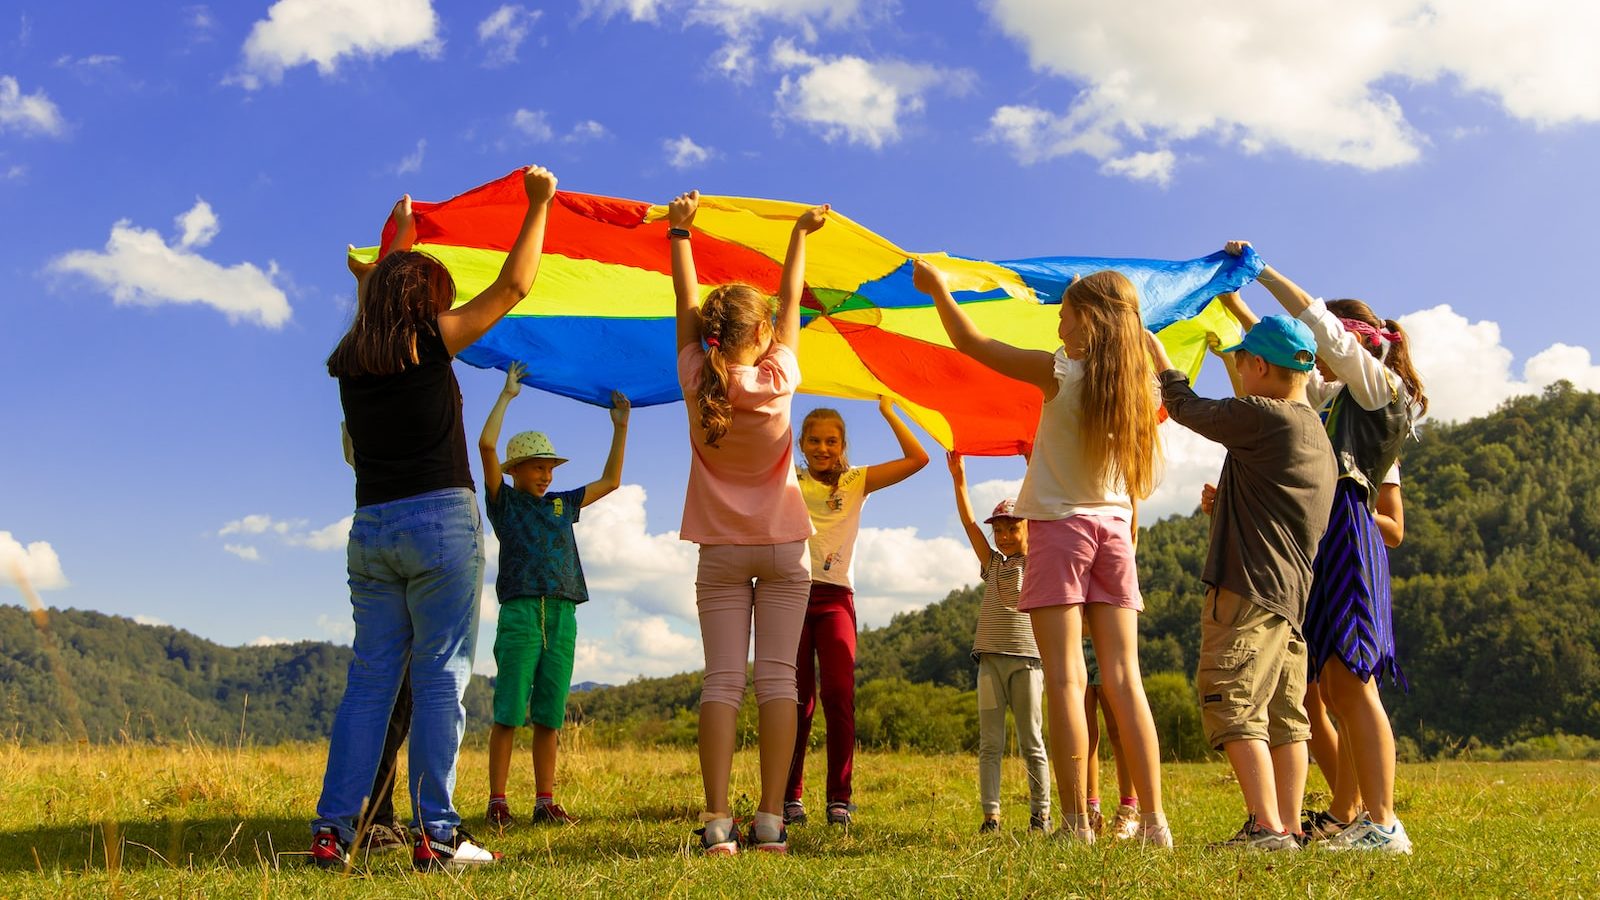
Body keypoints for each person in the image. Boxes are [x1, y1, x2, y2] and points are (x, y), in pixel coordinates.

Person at [311, 165, 559, 872]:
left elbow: (375, 297)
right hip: (439, 526)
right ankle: (439, 835)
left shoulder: (353, 357)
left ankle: (333, 833)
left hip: (372, 531)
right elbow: (514, 286)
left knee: (370, 681)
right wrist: (537, 205)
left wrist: (402, 233)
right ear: (424, 301)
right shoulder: (429, 342)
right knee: (442, 678)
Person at [915, 261, 1172, 847]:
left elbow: (971, 341)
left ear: (1088, 320)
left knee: (1064, 678)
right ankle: (1155, 823)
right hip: (1113, 531)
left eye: (1065, 313)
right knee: (1127, 679)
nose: (1058, 322)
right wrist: (1142, 337)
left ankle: (1078, 824)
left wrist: (939, 291)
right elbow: (1152, 354)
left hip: (1059, 529)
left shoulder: (1061, 372)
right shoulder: (1144, 386)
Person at [1227, 240, 1428, 854]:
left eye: (1327, 348)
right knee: (1336, 684)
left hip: (1350, 530)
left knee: (1354, 683)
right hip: (1322, 532)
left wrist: (1260, 272)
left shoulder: (1376, 388)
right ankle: (1363, 817)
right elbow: (1285, 360)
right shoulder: (1332, 396)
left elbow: (1312, 324)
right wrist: (1232, 303)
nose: (1316, 362)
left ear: (1352, 344)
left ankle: (1384, 821)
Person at [669, 189, 829, 855]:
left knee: (722, 683)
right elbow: (793, 301)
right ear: (762, 336)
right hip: (785, 548)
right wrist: (800, 234)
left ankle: (715, 822)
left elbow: (683, 307)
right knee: (779, 682)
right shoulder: (780, 376)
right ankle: (769, 820)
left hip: (720, 553)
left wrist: (681, 233)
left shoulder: (694, 377)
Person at [1148, 314, 1337, 851]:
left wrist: (1161, 359)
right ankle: (1290, 827)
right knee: (1285, 717)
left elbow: (1185, 408)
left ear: (1258, 364)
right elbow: (1279, 510)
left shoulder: (1265, 416)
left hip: (1248, 588)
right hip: (1289, 596)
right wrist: (1226, 504)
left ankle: (1265, 825)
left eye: (1240, 363)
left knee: (1232, 700)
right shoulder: (1312, 431)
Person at [479, 361, 630, 829]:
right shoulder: (504, 503)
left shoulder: (563, 504)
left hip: (564, 613)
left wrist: (620, 427)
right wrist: (506, 396)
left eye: (549, 467)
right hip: (521, 613)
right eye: (537, 468)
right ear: (516, 471)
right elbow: (486, 445)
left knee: (549, 715)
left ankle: (544, 800)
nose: (545, 475)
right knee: (508, 712)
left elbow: (611, 482)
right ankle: (498, 801)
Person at [784, 401, 928, 827]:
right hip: (791, 596)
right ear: (801, 443)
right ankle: (790, 797)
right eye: (814, 440)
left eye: (831, 440)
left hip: (835, 600)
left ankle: (838, 799)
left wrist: (889, 411)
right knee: (796, 702)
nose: (822, 447)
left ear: (843, 444)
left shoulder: (855, 480)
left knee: (839, 697)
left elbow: (918, 459)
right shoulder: (788, 478)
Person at [949, 455, 1050, 835]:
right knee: (990, 743)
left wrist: (1034, 464)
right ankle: (991, 816)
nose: (1005, 536)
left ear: (1028, 528)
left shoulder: (1039, 559)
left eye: (1013, 528)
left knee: (1032, 741)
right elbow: (969, 524)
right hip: (989, 663)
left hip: (1026, 662)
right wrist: (960, 480)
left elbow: (1045, 506)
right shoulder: (992, 563)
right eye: (1000, 531)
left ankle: (1041, 814)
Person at [1083, 640, 1138, 838]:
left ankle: (1128, 810)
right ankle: (1090, 812)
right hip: (1074, 646)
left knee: (1118, 731)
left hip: (1105, 643)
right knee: (1084, 735)